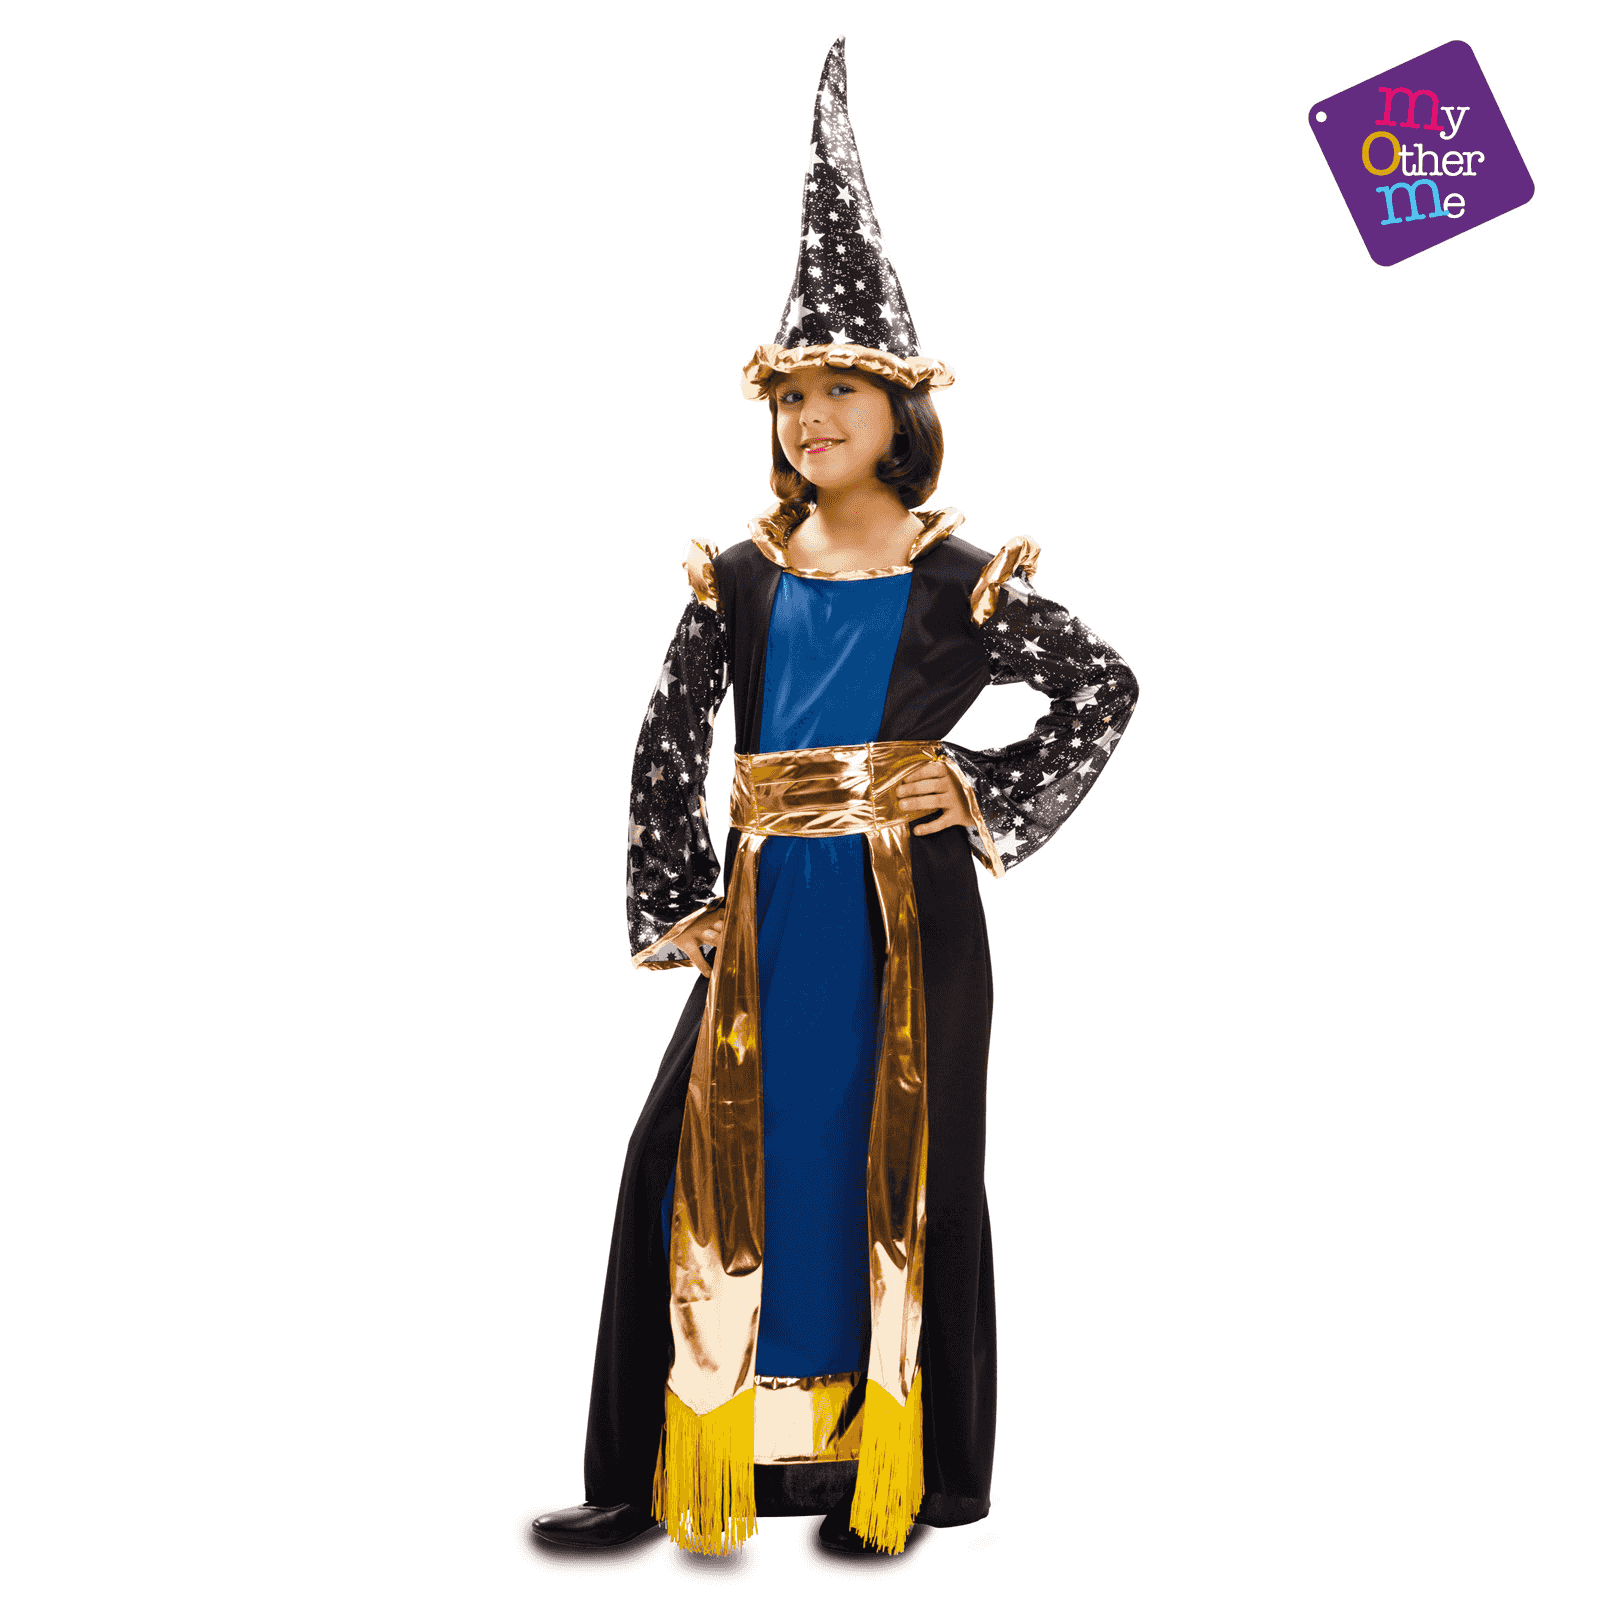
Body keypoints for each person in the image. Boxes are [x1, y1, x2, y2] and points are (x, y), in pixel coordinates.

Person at [531, 38, 1138, 1558]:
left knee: (898, 1172)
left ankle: (900, 1473)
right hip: (766, 911)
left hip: (901, 914)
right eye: (793, 395)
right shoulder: (742, 575)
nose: (811, 417)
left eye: (840, 390)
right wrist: (678, 896)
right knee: (687, 1160)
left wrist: (977, 784)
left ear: (898, 406)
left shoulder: (957, 577)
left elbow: (1103, 685)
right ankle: (658, 1466)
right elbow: (667, 732)